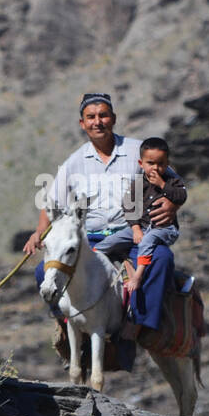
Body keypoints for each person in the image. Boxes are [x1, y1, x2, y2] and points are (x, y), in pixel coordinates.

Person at [24, 93, 182, 337]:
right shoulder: (73, 163)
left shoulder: (136, 151)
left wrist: (172, 205)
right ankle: (67, 326)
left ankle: (138, 326)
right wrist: (38, 231)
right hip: (92, 239)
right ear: (82, 123)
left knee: (161, 258)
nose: (97, 121)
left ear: (113, 119)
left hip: (133, 235)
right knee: (43, 271)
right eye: (91, 117)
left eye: (103, 115)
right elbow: (52, 202)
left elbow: (172, 181)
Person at [93, 137, 186, 305]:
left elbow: (181, 196)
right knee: (112, 241)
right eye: (151, 163)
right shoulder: (138, 183)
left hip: (163, 229)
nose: (156, 168)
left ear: (167, 164)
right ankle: (95, 259)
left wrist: (163, 185)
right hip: (141, 227)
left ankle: (137, 277)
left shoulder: (172, 181)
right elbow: (129, 206)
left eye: (161, 164)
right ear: (141, 163)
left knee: (147, 242)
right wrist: (135, 228)